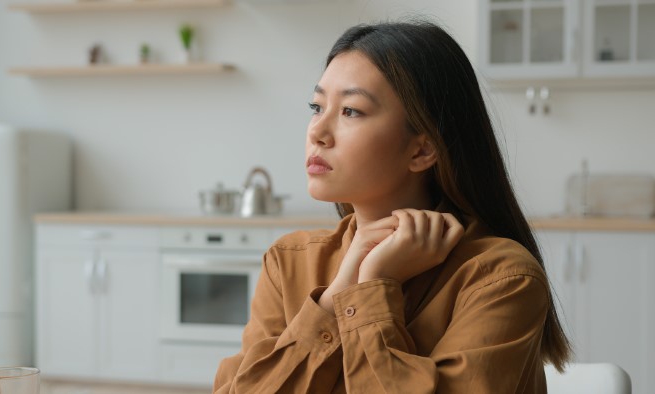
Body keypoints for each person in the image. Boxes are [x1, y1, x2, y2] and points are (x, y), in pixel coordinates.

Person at [214, 20, 571, 393]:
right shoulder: (288, 263)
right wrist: (337, 294)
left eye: (351, 111)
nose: (316, 131)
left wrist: (374, 284)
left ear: (422, 149)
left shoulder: (501, 278)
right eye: (316, 106)